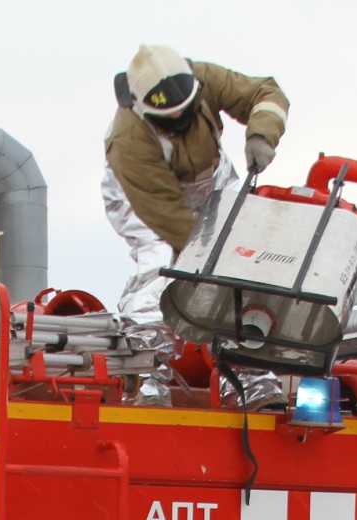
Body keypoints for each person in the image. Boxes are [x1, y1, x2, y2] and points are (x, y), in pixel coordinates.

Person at [103, 43, 290, 410]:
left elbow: (265, 92)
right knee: (161, 267)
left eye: (186, 111)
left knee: (247, 261)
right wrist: (208, 261)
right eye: (170, 117)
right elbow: (169, 217)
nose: (181, 120)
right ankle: (145, 374)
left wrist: (260, 135)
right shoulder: (128, 142)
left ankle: (249, 374)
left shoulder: (204, 78)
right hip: (145, 197)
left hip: (210, 180)